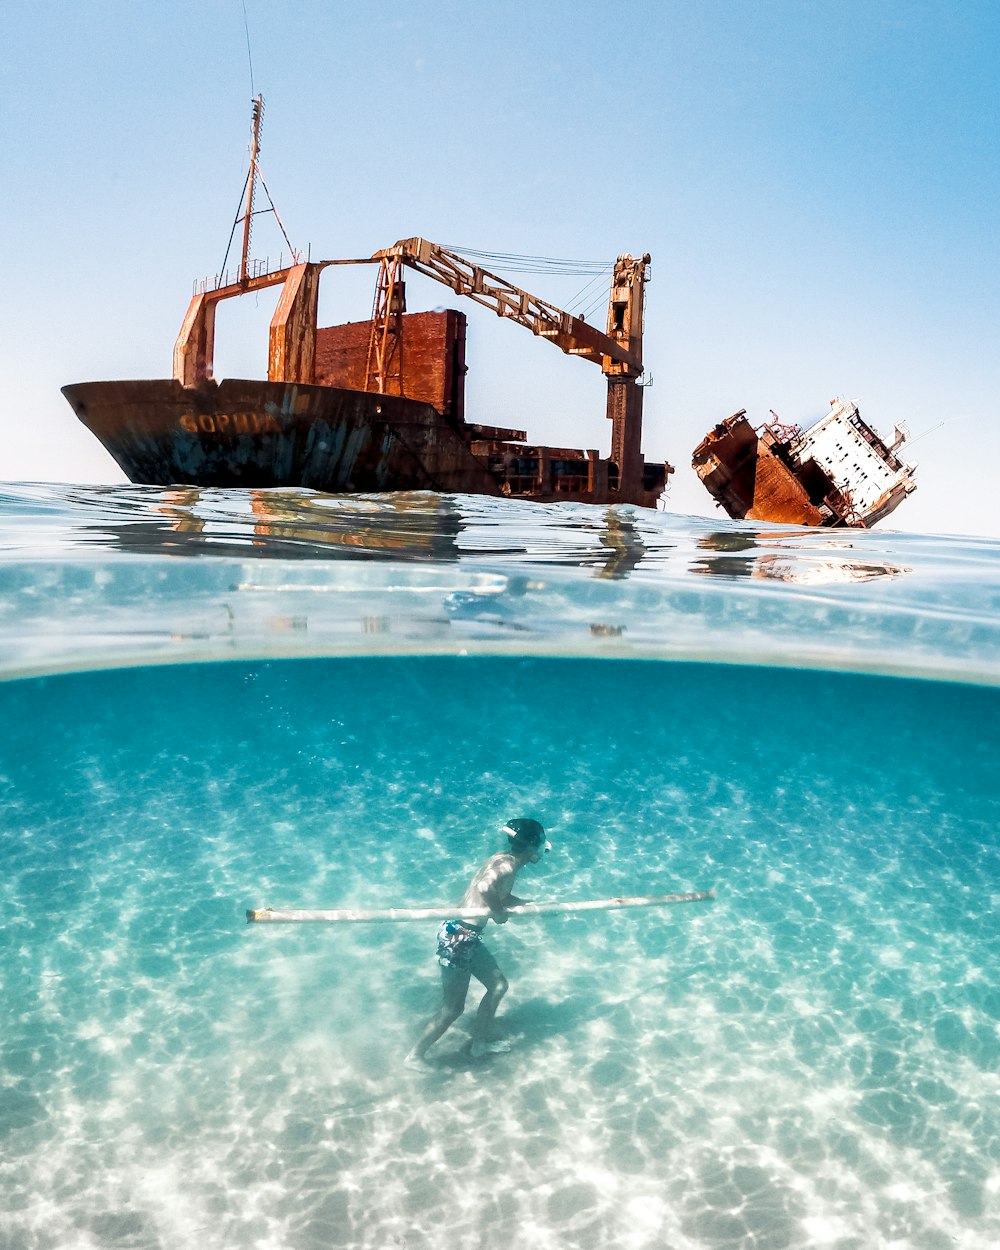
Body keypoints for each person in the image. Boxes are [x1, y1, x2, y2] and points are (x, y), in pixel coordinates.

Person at [407, 818, 550, 1064]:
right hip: (459, 936)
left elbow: (497, 891)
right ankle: (415, 1056)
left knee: (498, 987)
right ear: (532, 848)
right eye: (539, 849)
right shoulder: (507, 866)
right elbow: (485, 888)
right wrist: (499, 913)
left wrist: (523, 903)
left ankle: (479, 1044)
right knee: (452, 1009)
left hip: (463, 934)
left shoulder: (502, 858)